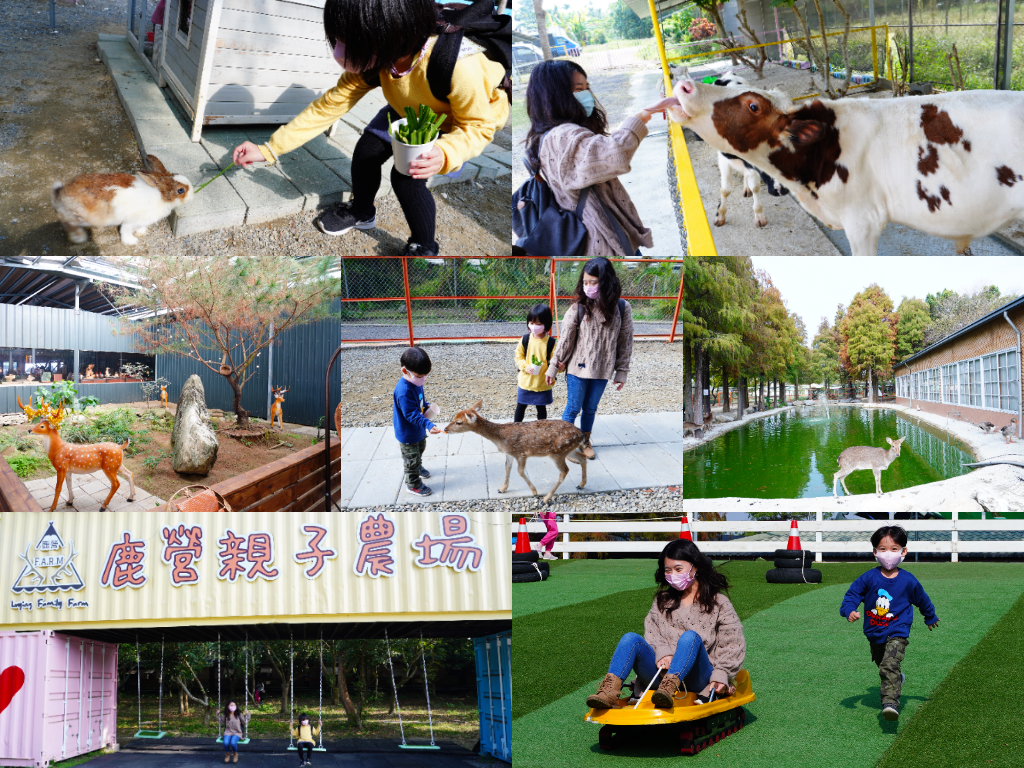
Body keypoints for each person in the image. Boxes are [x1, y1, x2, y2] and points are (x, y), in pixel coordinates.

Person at [231, 0, 509, 256]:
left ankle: (425, 244)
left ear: (395, 34)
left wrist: (447, 151)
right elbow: (330, 105)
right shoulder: (374, 56)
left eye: (351, 42)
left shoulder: (460, 64)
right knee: (366, 151)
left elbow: (478, 125)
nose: (341, 52)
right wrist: (268, 149)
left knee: (406, 178)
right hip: (408, 109)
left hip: (452, 121)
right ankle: (362, 211)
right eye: (339, 39)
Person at [587, 539, 745, 710]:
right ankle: (608, 692)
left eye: (678, 569)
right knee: (630, 639)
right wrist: (663, 653)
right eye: (668, 570)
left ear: (695, 567)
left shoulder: (719, 603)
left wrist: (721, 675)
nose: (673, 575)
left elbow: (732, 645)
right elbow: (652, 634)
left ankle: (670, 687)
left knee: (690, 637)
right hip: (660, 676)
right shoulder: (662, 601)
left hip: (698, 678)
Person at [524, 59, 656, 255]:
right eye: (578, 89)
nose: (586, 95)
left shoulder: (546, 134)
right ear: (556, 95)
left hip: (593, 233)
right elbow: (615, 154)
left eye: (587, 87)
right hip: (603, 240)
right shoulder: (562, 136)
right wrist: (642, 117)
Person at [840, 525, 940, 721]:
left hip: (898, 630)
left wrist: (930, 616)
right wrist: (849, 611)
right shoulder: (868, 578)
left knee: (889, 664)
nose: (888, 554)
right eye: (883, 549)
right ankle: (897, 679)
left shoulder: (908, 580)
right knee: (883, 665)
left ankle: (890, 704)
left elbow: (922, 599)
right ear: (875, 552)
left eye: (894, 549)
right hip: (874, 631)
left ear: (903, 551)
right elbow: (851, 596)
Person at [548, 258, 634, 459]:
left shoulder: (622, 308)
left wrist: (622, 371)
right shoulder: (578, 307)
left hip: (603, 370)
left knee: (590, 409)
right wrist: (553, 367)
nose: (588, 287)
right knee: (573, 408)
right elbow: (565, 340)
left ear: (606, 282)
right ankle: (565, 444)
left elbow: (626, 341)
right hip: (577, 369)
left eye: (593, 282)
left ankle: (585, 441)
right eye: (585, 282)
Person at [393, 346, 443, 496]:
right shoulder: (403, 391)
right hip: (408, 433)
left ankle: (417, 467)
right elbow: (410, 414)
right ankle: (412, 483)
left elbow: (420, 401)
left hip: (417, 430)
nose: (423, 379)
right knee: (411, 458)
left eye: (425, 375)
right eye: (419, 376)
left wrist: (427, 406)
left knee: (420, 449)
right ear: (405, 371)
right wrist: (428, 424)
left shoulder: (416, 383)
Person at [513, 303, 556, 423]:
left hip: (542, 383)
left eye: (538, 324)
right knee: (520, 407)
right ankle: (515, 430)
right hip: (526, 382)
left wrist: (557, 370)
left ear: (546, 324)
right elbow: (518, 356)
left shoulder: (551, 343)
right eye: (531, 323)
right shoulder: (525, 339)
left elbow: (555, 362)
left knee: (541, 408)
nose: (534, 326)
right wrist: (525, 367)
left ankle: (541, 431)